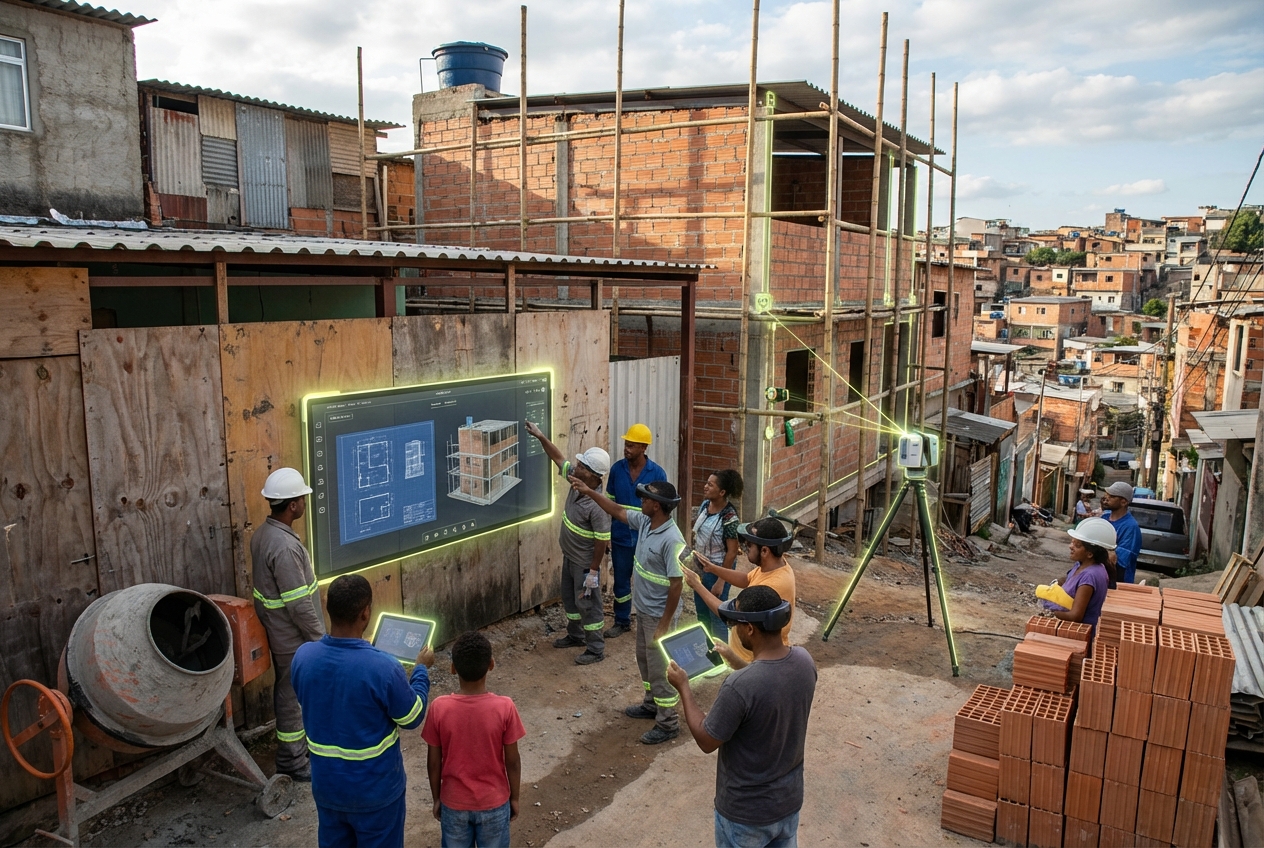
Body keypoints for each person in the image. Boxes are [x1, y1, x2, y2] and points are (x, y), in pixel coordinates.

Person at [667, 586, 817, 848]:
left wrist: (683, 687)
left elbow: (706, 739)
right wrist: (734, 659)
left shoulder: (739, 686)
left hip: (746, 816)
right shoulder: (804, 661)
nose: (734, 629)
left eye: (736, 623)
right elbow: (769, 681)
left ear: (749, 629)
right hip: (787, 804)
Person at [291, 575, 434, 848]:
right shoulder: (384, 667)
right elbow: (412, 716)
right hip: (376, 794)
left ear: (327, 605)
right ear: (365, 613)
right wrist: (420, 670)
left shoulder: (303, 658)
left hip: (328, 789)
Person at [572, 475, 686, 744]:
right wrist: (590, 492)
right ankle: (651, 704)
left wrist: (664, 625)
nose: (641, 500)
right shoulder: (646, 522)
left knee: (661, 669)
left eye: (646, 498)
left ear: (657, 505)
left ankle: (668, 723)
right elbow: (617, 510)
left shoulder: (672, 539)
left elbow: (677, 585)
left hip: (659, 615)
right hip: (645, 609)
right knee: (644, 660)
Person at [250, 466, 325, 782]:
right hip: (291, 636)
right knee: (292, 696)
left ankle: (297, 752)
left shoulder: (263, 534)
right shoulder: (284, 546)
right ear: (292, 505)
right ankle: (292, 761)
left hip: (280, 631)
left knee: (291, 691)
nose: (305, 503)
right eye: (302, 499)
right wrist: (321, 639)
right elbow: (298, 604)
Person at [423, 631, 525, 848]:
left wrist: (437, 798)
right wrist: (514, 798)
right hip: (494, 802)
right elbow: (513, 761)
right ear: (491, 664)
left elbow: (433, 762)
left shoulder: (439, 708)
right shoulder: (505, 707)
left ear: (452, 668)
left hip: (453, 803)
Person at [524, 421, 612, 665]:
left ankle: (595, 648)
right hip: (570, 557)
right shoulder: (576, 482)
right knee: (570, 599)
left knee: (588, 605)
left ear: (593, 475)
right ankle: (576, 635)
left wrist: (593, 572)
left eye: (581, 466)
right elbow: (558, 458)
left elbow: (602, 541)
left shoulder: (598, 505)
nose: (576, 467)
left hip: (584, 565)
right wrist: (540, 436)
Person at [686, 517, 796, 668]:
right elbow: (746, 579)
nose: (745, 547)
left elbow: (729, 614)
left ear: (765, 551)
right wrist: (711, 568)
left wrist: (697, 585)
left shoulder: (772, 586)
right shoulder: (775, 566)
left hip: (751, 661)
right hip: (748, 655)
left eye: (749, 544)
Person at [604, 423, 668, 639]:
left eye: (631, 445)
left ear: (643, 447)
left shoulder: (657, 473)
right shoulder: (616, 470)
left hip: (646, 537)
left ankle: (648, 621)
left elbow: (663, 511)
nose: (626, 449)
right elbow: (610, 504)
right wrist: (606, 535)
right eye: (626, 444)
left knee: (647, 581)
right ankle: (622, 620)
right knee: (621, 581)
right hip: (621, 536)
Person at [691, 470, 743, 642]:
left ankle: (721, 653)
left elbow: (732, 551)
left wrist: (721, 581)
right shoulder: (705, 506)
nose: (705, 487)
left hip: (718, 570)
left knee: (717, 615)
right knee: (702, 612)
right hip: (701, 568)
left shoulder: (729, 518)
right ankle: (708, 650)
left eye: (710, 485)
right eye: (707, 483)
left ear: (722, 492)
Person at [1042, 517, 1118, 630]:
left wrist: (1049, 613)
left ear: (1090, 554)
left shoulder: (1089, 576)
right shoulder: (1081, 564)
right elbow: (1070, 581)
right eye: (1072, 542)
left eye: (1077, 545)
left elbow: (1075, 616)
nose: (1070, 547)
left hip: (1079, 632)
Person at [1101, 481, 1143, 584]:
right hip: (1098, 576)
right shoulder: (1104, 518)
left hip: (1117, 580)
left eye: (1112, 496)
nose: (1106, 498)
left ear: (1123, 502)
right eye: (1107, 494)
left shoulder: (1130, 527)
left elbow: (1120, 559)